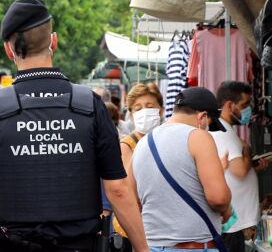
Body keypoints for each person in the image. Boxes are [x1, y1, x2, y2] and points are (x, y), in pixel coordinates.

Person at [0, 0, 148, 252]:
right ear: (53, 41)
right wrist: (143, 249)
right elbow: (118, 190)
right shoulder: (90, 105)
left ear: (8, 49)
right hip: (81, 245)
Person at [130, 87, 232, 252]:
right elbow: (218, 199)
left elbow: (132, 199)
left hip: (152, 246)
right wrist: (220, 174)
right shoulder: (198, 136)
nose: (207, 129)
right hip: (194, 247)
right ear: (203, 117)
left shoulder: (142, 143)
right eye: (209, 124)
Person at [103, 82, 163, 252]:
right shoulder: (128, 145)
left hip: (160, 227)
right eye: (138, 108)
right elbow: (126, 192)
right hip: (135, 231)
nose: (144, 111)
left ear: (161, 109)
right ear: (131, 115)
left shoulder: (164, 139)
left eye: (150, 106)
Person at [211, 81, 269, 252]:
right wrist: (246, 148)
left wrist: (254, 167)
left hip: (235, 223)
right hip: (233, 225)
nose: (248, 110)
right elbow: (239, 170)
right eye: (244, 105)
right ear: (230, 105)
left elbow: (234, 170)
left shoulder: (224, 129)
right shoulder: (222, 131)